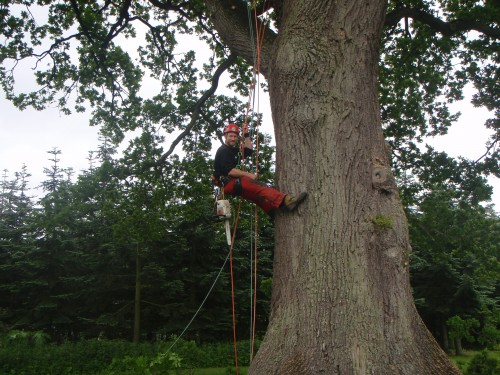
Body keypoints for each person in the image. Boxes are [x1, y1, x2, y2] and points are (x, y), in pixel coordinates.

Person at [213, 123, 307, 215]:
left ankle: (271, 211)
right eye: (230, 136)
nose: (233, 139)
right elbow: (231, 171)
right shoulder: (223, 151)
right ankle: (288, 201)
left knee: (255, 195)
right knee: (258, 186)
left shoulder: (233, 150)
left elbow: (249, 150)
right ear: (225, 136)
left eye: (235, 136)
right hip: (228, 182)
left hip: (230, 184)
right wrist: (248, 175)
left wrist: (246, 134)